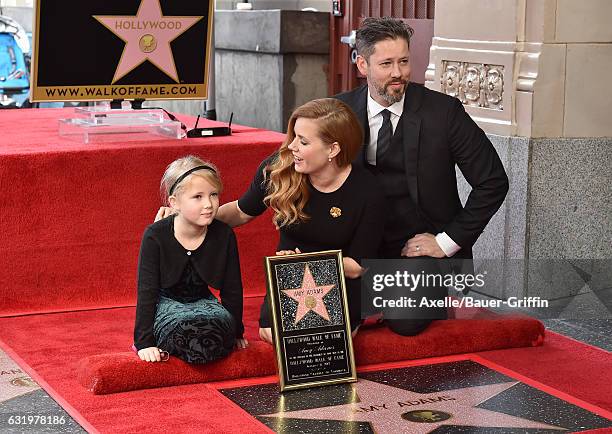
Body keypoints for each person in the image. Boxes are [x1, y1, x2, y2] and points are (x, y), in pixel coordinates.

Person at [335, 17, 509, 335]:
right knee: (327, 316)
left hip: (420, 248)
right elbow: (292, 162)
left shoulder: (444, 113)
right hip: (359, 248)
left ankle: (416, 292)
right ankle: (376, 296)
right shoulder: (338, 111)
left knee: (406, 321)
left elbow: (493, 180)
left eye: (403, 61)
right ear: (362, 64)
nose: (398, 73)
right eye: (386, 63)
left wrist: (445, 243)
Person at [210, 98, 385, 344]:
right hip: (289, 275)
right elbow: (241, 211)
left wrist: (306, 262)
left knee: (325, 336)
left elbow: (357, 266)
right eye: (294, 136)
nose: (291, 146)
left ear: (333, 149)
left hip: (341, 278)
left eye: (303, 141)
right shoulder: (280, 168)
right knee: (273, 333)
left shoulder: (368, 191)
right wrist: (192, 216)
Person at [134, 156, 248, 363]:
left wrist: (236, 331)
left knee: (215, 330)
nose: (209, 204)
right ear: (174, 203)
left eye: (213, 195)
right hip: (168, 303)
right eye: (197, 197)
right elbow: (146, 290)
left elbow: (232, 288)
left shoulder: (224, 234)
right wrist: (144, 342)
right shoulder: (155, 235)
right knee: (187, 330)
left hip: (203, 303)